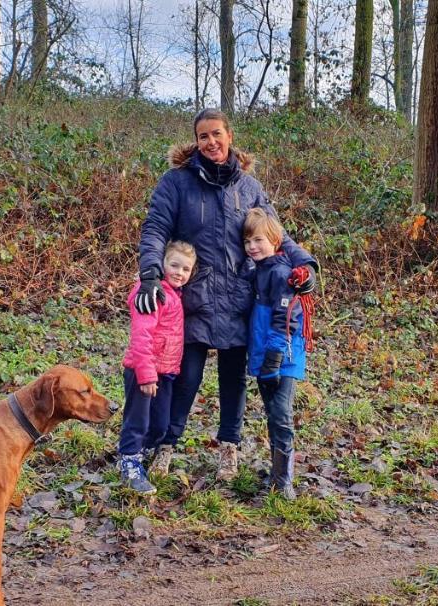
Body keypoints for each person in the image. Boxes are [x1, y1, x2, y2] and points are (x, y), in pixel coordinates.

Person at [136, 108, 318, 481]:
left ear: (229, 136)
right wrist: (151, 274)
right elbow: (154, 228)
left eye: (216, 134)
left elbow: (275, 234)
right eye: (203, 136)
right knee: (185, 378)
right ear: (195, 141)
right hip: (194, 299)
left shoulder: (249, 188)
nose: (211, 142)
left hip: (240, 298)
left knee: (233, 381)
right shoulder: (176, 183)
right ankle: (166, 447)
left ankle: (228, 451)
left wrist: (306, 265)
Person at [118, 241, 196, 494]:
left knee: (160, 424)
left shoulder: (175, 294)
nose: (179, 272)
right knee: (137, 420)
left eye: (186, 269)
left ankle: (140, 451)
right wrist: (146, 375)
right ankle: (129, 460)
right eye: (174, 265)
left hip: (165, 372)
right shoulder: (152, 293)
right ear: (161, 264)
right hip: (144, 371)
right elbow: (142, 337)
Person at [242, 208, 309, 499]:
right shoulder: (260, 270)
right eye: (247, 242)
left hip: (282, 358)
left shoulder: (280, 272)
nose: (252, 247)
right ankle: (276, 474)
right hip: (263, 355)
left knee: (281, 414)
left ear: (274, 240)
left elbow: (286, 318)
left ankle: (284, 482)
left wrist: (274, 357)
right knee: (272, 414)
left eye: (258, 240)